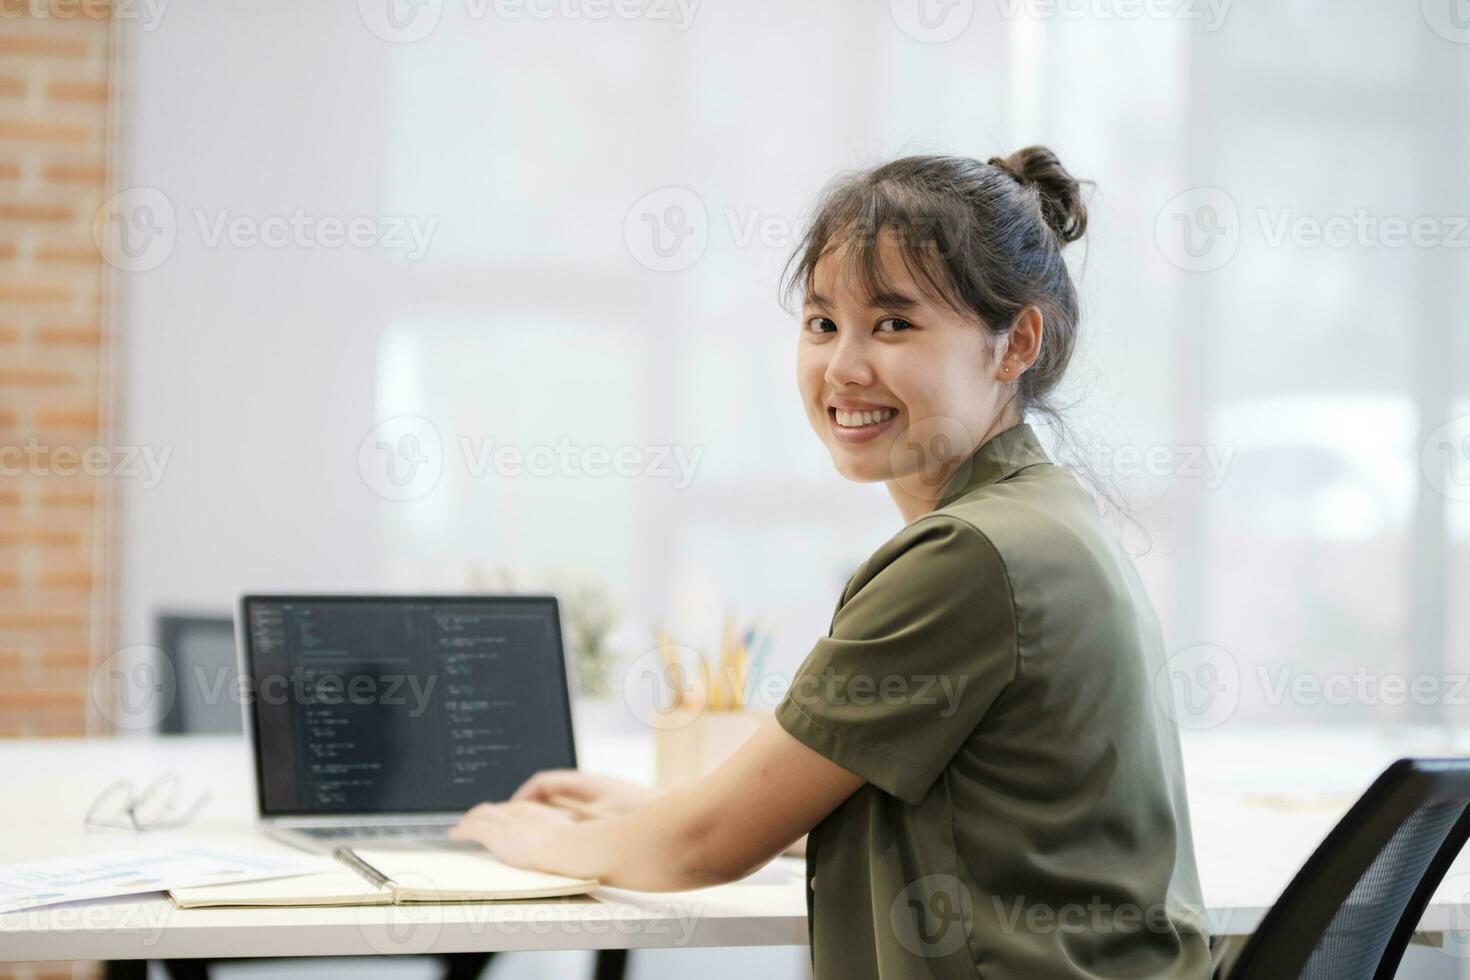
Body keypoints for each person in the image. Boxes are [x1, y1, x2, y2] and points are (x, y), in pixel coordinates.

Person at [450, 146, 1213, 979]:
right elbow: (888, 798)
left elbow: (710, 847)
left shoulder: (968, 557)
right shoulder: (1045, 515)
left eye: (894, 323)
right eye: (823, 324)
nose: (843, 368)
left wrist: (540, 846)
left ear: (1015, 343)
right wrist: (646, 816)